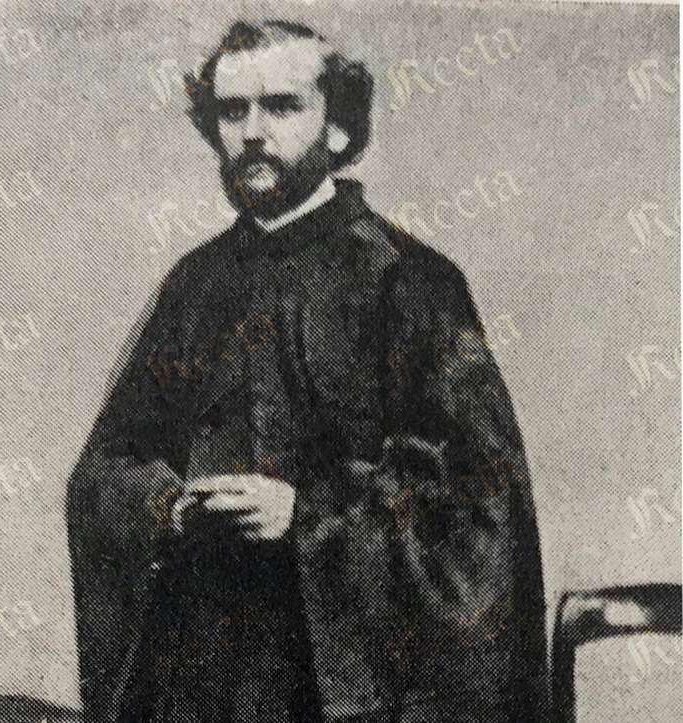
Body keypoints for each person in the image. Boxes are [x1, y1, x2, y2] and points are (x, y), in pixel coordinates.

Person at [66, 19, 547, 723]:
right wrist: (168, 506)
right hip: (200, 674)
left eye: (282, 106)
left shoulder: (409, 280)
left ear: (339, 128)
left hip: (342, 688)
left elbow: (480, 505)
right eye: (233, 111)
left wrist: (305, 516)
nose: (252, 133)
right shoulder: (194, 285)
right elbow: (104, 471)